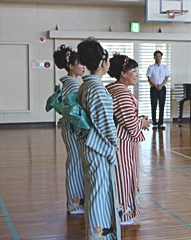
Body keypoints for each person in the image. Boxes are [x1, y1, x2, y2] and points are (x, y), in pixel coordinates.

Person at [76, 37, 120, 239]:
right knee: (98, 194)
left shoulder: (85, 86)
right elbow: (107, 125)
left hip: (88, 145)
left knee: (94, 190)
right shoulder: (97, 89)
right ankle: (98, 234)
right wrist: (115, 144)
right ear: (104, 63)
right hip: (98, 148)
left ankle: (99, 232)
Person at [106, 54, 151, 226]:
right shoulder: (122, 93)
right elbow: (131, 125)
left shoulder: (112, 88)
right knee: (123, 177)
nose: (136, 74)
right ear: (123, 73)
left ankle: (121, 212)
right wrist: (142, 122)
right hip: (122, 143)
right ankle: (123, 215)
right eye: (133, 70)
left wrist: (138, 120)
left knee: (121, 177)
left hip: (118, 141)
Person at [52, 45, 85, 214]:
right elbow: (75, 112)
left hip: (69, 128)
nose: (83, 66)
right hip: (72, 129)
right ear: (71, 66)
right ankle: (75, 202)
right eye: (80, 63)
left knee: (75, 162)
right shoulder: (72, 85)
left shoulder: (70, 83)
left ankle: (76, 201)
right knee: (75, 162)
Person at [146, 50, 170, 130]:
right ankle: (154, 123)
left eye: (159, 56)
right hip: (154, 88)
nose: (158, 58)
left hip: (162, 88)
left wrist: (161, 85)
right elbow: (149, 78)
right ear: (154, 57)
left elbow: (167, 78)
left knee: (162, 105)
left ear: (161, 57)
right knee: (154, 105)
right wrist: (156, 85)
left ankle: (161, 123)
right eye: (156, 56)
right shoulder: (151, 67)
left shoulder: (165, 67)